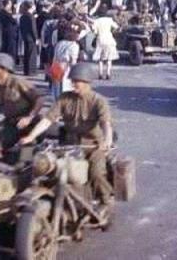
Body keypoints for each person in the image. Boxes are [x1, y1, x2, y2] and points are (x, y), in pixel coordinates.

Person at [20, 63, 114, 208]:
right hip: (69, 145)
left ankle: (105, 201)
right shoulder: (65, 98)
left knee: (96, 172)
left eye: (77, 81)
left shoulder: (98, 101)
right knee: (42, 166)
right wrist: (31, 136)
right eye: (73, 80)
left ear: (87, 82)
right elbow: (47, 119)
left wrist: (107, 140)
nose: (74, 83)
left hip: (92, 146)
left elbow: (105, 123)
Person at [92, 6, 119, 80]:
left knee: (100, 58)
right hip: (109, 39)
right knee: (109, 58)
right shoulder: (109, 20)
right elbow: (117, 27)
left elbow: (95, 32)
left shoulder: (96, 21)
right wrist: (112, 32)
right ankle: (108, 74)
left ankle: (100, 74)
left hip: (100, 40)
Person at [19, 1, 38, 75]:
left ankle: (26, 70)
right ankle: (31, 70)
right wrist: (36, 38)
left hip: (25, 36)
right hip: (31, 37)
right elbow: (33, 28)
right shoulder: (31, 17)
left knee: (26, 53)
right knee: (32, 54)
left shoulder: (22, 16)